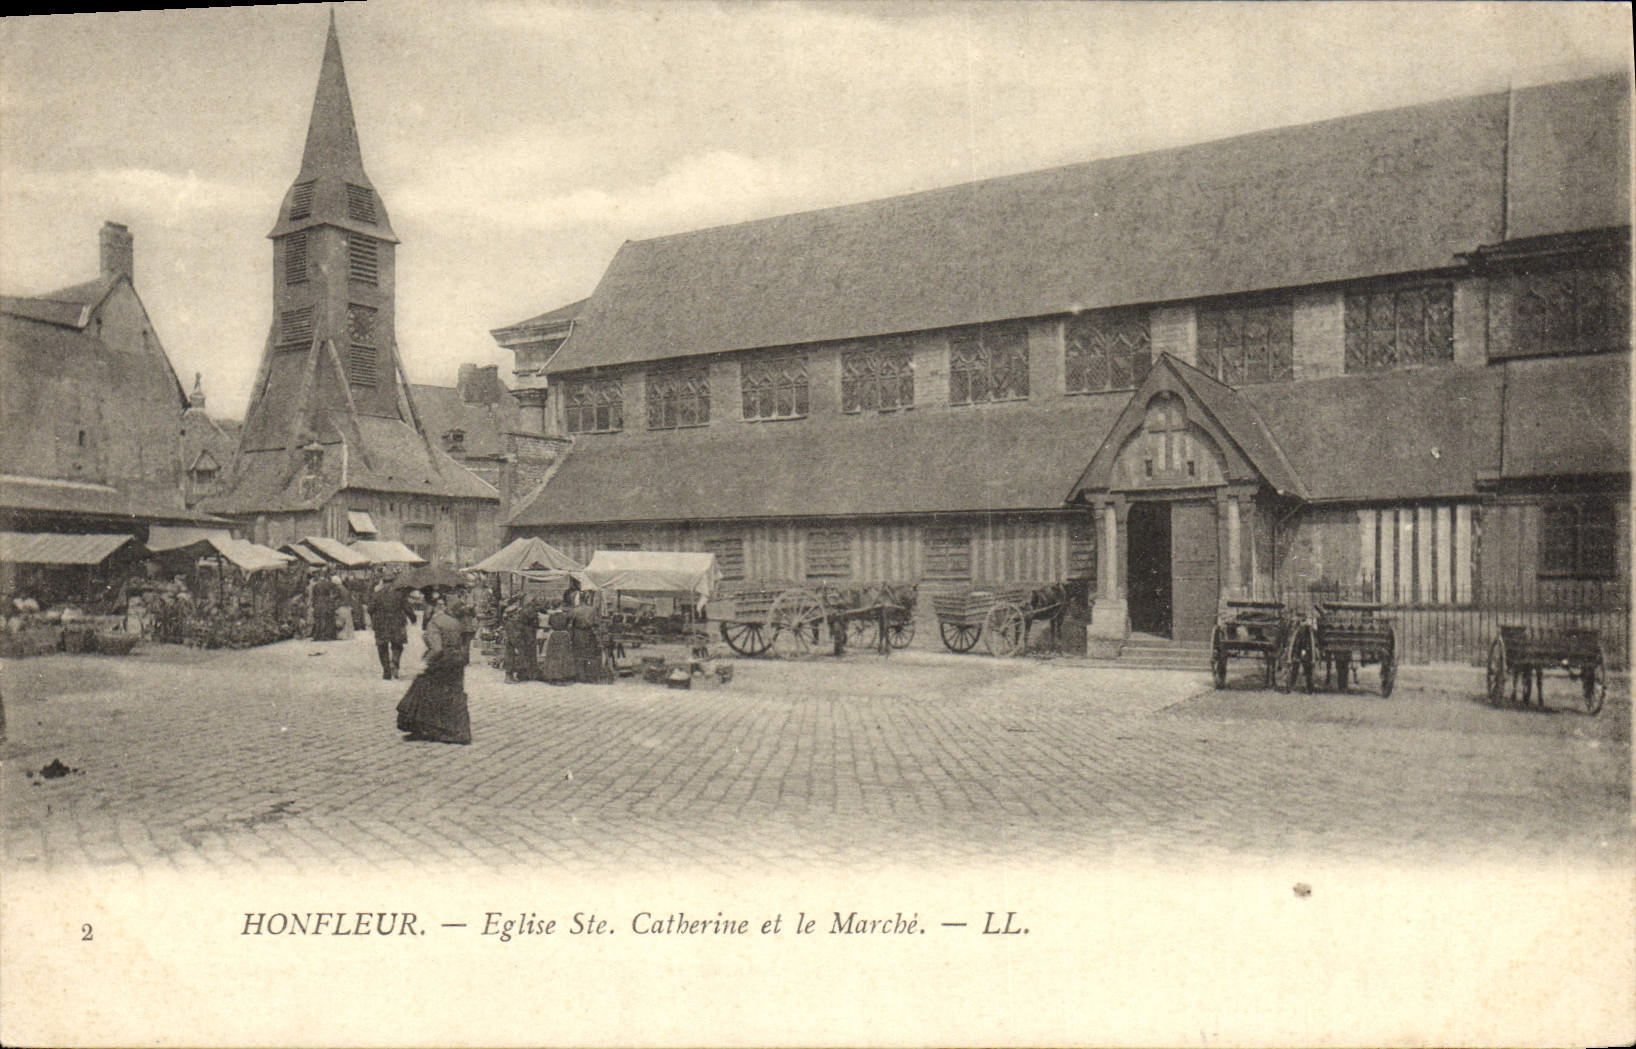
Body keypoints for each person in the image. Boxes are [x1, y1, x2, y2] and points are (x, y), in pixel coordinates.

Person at [395, 594, 472, 744]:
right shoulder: (455, 622)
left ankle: (425, 729)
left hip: (441, 663)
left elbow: (437, 649)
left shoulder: (435, 622)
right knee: (451, 695)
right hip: (456, 662)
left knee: (422, 691)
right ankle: (454, 731)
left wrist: (424, 663)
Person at [368, 577, 414, 680]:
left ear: (383, 583)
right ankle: (395, 662)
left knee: (382, 647)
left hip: (381, 624)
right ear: (393, 583)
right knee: (397, 645)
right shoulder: (400, 594)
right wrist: (413, 618)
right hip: (397, 624)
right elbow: (407, 608)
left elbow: (370, 608)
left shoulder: (377, 594)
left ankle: (386, 670)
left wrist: (373, 618)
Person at [502, 596, 541, 683]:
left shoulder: (513, 622)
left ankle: (511, 677)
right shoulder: (510, 624)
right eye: (516, 614)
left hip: (514, 644)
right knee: (510, 661)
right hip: (512, 645)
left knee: (513, 660)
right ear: (512, 615)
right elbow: (514, 636)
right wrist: (517, 645)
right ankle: (508, 677)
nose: (518, 615)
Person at [310, 573, 340, 641]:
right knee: (327, 620)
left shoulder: (315, 585)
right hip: (326, 603)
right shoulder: (329, 584)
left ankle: (317, 636)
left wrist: (313, 605)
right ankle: (327, 636)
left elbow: (313, 596)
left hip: (318, 603)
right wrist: (332, 599)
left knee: (318, 620)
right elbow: (336, 591)